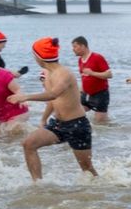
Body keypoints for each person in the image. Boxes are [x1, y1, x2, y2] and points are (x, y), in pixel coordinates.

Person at [9, 38, 97, 179]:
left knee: (87, 169)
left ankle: (102, 190)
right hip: (58, 124)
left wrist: (25, 97)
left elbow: (53, 94)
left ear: (39, 56)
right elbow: (53, 100)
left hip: (77, 125)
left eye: (34, 55)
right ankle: (37, 184)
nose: (34, 58)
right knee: (28, 144)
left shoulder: (64, 73)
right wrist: (44, 119)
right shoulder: (47, 73)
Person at [71, 36, 113, 122]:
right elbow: (84, 78)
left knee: (100, 124)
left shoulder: (97, 57)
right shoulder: (80, 60)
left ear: (83, 46)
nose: (73, 49)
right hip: (86, 94)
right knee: (74, 116)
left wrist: (92, 73)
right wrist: (78, 92)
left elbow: (109, 74)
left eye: (75, 46)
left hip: (100, 95)